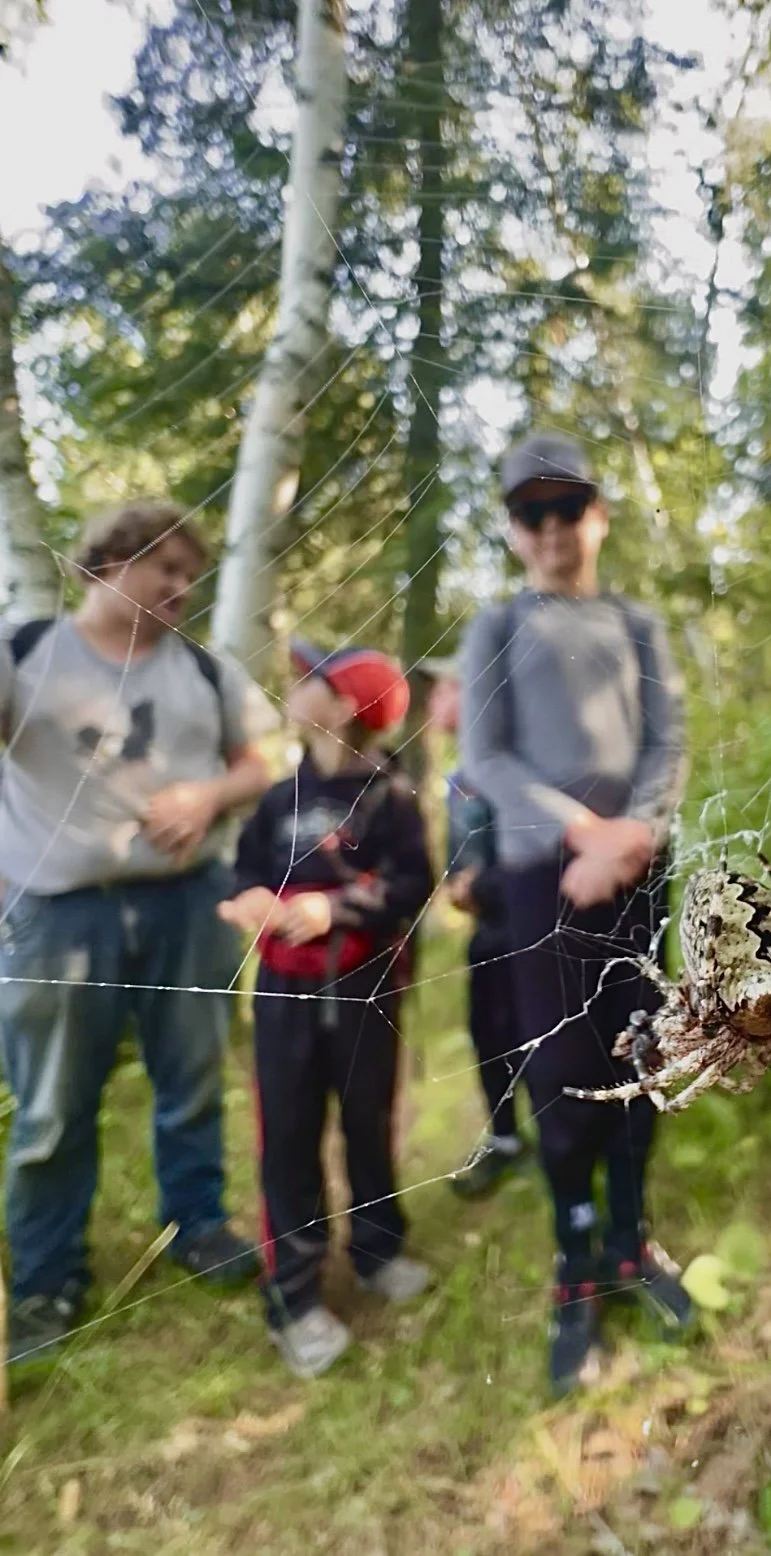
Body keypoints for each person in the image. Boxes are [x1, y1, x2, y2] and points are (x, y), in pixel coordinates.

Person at [0, 501, 272, 1364]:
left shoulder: (202, 671)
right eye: (165, 568)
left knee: (191, 1076)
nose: (181, 588)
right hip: (58, 913)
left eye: (191, 574)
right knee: (51, 1103)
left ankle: (197, 1226)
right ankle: (46, 1279)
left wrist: (205, 797)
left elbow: (260, 762)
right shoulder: (25, 652)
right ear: (107, 563)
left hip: (187, 904)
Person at [460, 429, 692, 1397]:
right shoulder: (497, 627)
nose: (552, 529)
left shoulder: (638, 622)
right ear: (514, 530)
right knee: (560, 1067)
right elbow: (486, 755)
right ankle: (575, 1259)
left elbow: (668, 736)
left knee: (644, 1048)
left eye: (568, 509)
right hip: (539, 874)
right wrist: (582, 834)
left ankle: (635, 1238)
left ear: (598, 516)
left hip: (638, 868)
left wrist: (634, 831)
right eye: (531, 513)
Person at [218, 638, 433, 1379]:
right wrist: (253, 899)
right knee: (288, 1132)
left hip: (365, 988)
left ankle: (379, 1249)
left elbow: (411, 884)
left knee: (368, 1120)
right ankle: (296, 1296)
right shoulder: (280, 799)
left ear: (344, 706)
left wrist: (334, 908)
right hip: (284, 996)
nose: (294, 684)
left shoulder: (389, 798)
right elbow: (247, 867)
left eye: (310, 678)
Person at [423, 659, 530, 1197]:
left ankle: (568, 1141)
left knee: (534, 1036)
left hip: (528, 935)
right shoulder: (460, 776)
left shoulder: (513, 766)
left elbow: (532, 853)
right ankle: (507, 1140)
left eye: (445, 687)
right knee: (490, 1036)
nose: (433, 699)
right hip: (486, 934)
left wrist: (478, 887)